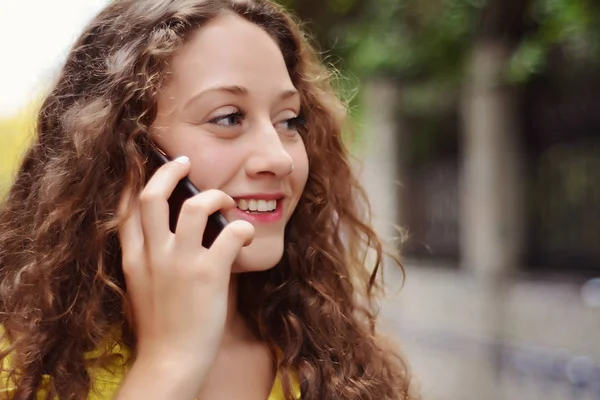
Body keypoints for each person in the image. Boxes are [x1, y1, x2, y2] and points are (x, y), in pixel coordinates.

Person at [0, 0, 418, 399]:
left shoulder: (341, 362)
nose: (279, 158)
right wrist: (169, 363)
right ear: (123, 153)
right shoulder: (20, 364)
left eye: (289, 121)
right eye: (229, 118)